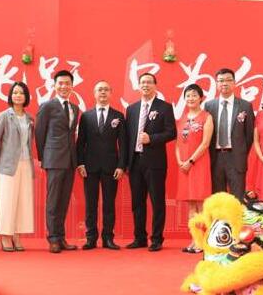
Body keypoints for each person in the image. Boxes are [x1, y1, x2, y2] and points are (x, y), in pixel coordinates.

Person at [125, 73, 177, 252]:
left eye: (149, 82)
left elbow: (171, 133)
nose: (145, 85)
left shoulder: (164, 107)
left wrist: (151, 139)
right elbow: (127, 137)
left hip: (155, 163)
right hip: (135, 162)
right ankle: (139, 237)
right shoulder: (131, 109)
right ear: (138, 86)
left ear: (155, 85)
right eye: (142, 82)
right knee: (137, 202)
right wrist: (126, 163)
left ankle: (156, 239)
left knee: (157, 202)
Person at [76, 80, 126, 250]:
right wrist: (80, 163)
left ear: (111, 93)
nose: (103, 92)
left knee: (109, 204)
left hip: (111, 167)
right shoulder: (86, 116)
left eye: (106, 89)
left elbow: (123, 144)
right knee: (91, 204)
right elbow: (80, 142)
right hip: (89, 167)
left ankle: (108, 238)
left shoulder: (118, 116)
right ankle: (91, 238)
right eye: (100, 90)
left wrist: (121, 166)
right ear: (94, 93)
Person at [35, 69, 80, 253]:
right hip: (53, 160)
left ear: (72, 86)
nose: (64, 86)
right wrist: (43, 158)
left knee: (64, 201)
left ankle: (61, 238)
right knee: (53, 201)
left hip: (70, 160)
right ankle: (53, 238)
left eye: (67, 83)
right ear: (54, 86)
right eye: (60, 83)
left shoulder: (75, 108)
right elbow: (39, 133)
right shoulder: (47, 106)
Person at [0, 82, 35, 252]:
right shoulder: (4, 115)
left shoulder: (29, 118)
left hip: (26, 163)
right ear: (10, 96)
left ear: (26, 97)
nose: (18, 95)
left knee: (23, 201)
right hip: (8, 164)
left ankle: (17, 234)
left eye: (21, 93)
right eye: (15, 92)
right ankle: (5, 236)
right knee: (7, 200)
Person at [204, 68, 255, 200]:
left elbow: (249, 135)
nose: (224, 83)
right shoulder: (209, 106)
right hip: (215, 157)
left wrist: (240, 151)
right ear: (216, 83)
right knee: (218, 199)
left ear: (234, 83)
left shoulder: (245, 106)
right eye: (221, 81)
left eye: (228, 80)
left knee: (237, 199)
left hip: (236, 157)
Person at [174, 84, 213, 253]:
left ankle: (203, 241)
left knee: (201, 204)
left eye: (194, 95)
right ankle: (194, 240)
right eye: (188, 95)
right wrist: (180, 161)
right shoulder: (182, 118)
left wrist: (190, 160)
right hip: (184, 167)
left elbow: (205, 143)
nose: (191, 98)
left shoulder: (206, 117)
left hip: (199, 165)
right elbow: (177, 144)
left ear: (201, 98)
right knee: (191, 206)